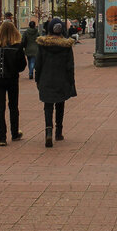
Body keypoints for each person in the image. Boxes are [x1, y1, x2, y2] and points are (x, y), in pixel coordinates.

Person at [0, 21, 28, 145]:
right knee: (13, 106)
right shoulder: (16, 46)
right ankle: (14, 133)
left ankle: (2, 137)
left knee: (0, 107)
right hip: (12, 79)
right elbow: (22, 65)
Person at [35, 19, 77, 147]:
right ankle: (59, 132)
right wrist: (71, 81)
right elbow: (70, 66)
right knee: (60, 104)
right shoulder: (66, 46)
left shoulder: (43, 45)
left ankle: (48, 132)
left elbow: (38, 64)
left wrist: (38, 79)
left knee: (48, 106)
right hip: (62, 79)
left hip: (46, 79)